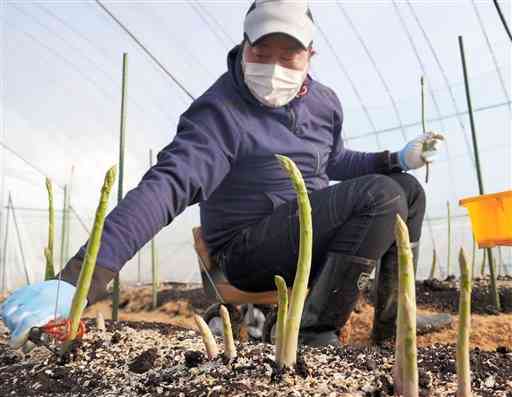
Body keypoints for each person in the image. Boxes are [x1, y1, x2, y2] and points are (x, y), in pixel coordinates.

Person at [1, 0, 450, 349]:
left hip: (311, 232)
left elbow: (332, 162)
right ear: (244, 45)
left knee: (406, 191)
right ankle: (313, 333)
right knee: (381, 196)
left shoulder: (325, 103)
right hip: (248, 248)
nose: (273, 68)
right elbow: (168, 185)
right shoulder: (220, 112)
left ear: (310, 56)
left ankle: (396, 323)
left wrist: (395, 160)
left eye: (288, 56)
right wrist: (78, 279)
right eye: (262, 52)